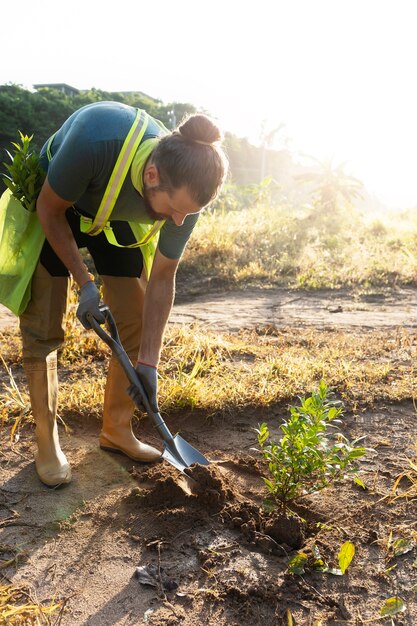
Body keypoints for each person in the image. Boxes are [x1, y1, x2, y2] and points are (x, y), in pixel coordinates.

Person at [20, 100, 228, 487]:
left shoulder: (188, 193)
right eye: (174, 210)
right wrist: (84, 284)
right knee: (44, 326)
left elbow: (164, 276)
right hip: (60, 205)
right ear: (152, 175)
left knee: (132, 313)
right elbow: (49, 210)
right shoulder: (95, 140)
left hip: (114, 218)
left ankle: (116, 430)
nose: (179, 221)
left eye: (187, 213)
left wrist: (149, 362)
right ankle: (46, 442)